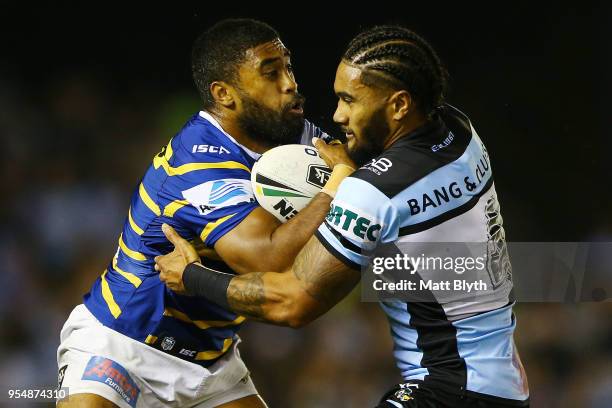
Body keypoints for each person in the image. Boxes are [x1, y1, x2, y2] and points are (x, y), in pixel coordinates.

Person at [155, 25, 530, 407]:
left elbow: (291, 303)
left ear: (399, 105)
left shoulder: (372, 193)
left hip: (448, 390)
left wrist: (192, 277)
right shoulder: (459, 129)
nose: (338, 115)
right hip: (500, 381)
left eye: (350, 100)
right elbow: (402, 173)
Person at [56, 18, 355, 408]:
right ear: (224, 94)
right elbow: (270, 259)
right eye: (270, 73)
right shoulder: (198, 163)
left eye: (288, 67)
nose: (290, 83)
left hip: (213, 365)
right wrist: (339, 181)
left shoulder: (293, 134)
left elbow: (360, 164)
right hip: (122, 348)